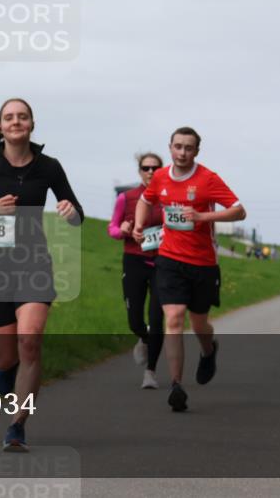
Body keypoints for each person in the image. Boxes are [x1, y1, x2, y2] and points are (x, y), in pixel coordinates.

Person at [0, 98, 84, 451]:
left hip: (34, 265)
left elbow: (77, 216)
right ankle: (4, 374)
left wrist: (68, 210)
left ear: (32, 124)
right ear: (1, 126)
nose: (16, 122)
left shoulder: (49, 167)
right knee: (6, 358)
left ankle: (17, 425)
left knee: (30, 340)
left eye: (23, 116)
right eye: (9, 117)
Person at [133, 127, 246, 412]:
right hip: (169, 259)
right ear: (170, 148)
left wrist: (202, 216)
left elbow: (238, 210)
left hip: (203, 263)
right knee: (173, 318)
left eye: (188, 148)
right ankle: (176, 385)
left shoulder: (207, 179)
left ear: (197, 151)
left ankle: (209, 350)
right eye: (178, 147)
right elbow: (146, 200)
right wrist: (138, 225)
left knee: (199, 324)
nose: (182, 153)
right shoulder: (159, 177)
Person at [108, 153, 164, 389]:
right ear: (139, 171)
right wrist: (122, 229)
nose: (150, 172)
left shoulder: (169, 198)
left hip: (163, 262)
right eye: (146, 168)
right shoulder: (126, 198)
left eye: (155, 168)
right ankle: (142, 337)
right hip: (134, 261)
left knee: (157, 319)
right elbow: (112, 228)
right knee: (135, 320)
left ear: (162, 170)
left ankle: (150, 372)